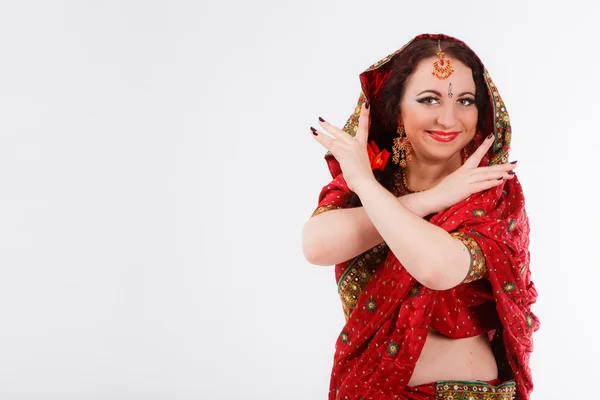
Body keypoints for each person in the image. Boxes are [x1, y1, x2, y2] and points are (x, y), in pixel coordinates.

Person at [302, 33, 539, 400]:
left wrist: (369, 189)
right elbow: (317, 246)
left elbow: (437, 267)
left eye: (465, 101)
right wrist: (425, 198)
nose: (448, 118)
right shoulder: (369, 178)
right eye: (429, 99)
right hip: (367, 389)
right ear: (396, 107)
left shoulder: (490, 188)